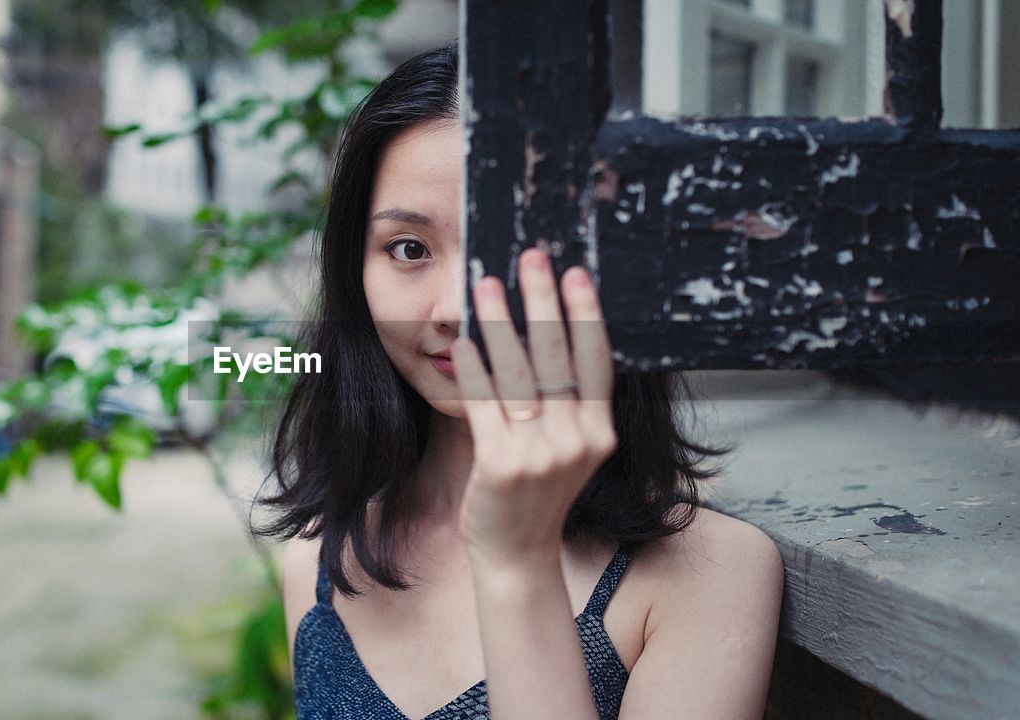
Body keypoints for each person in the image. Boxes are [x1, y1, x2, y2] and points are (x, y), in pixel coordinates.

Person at [251, 41, 784, 719]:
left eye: (505, 251)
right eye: (408, 249)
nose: (454, 311)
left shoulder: (710, 576)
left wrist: (518, 562)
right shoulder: (319, 554)